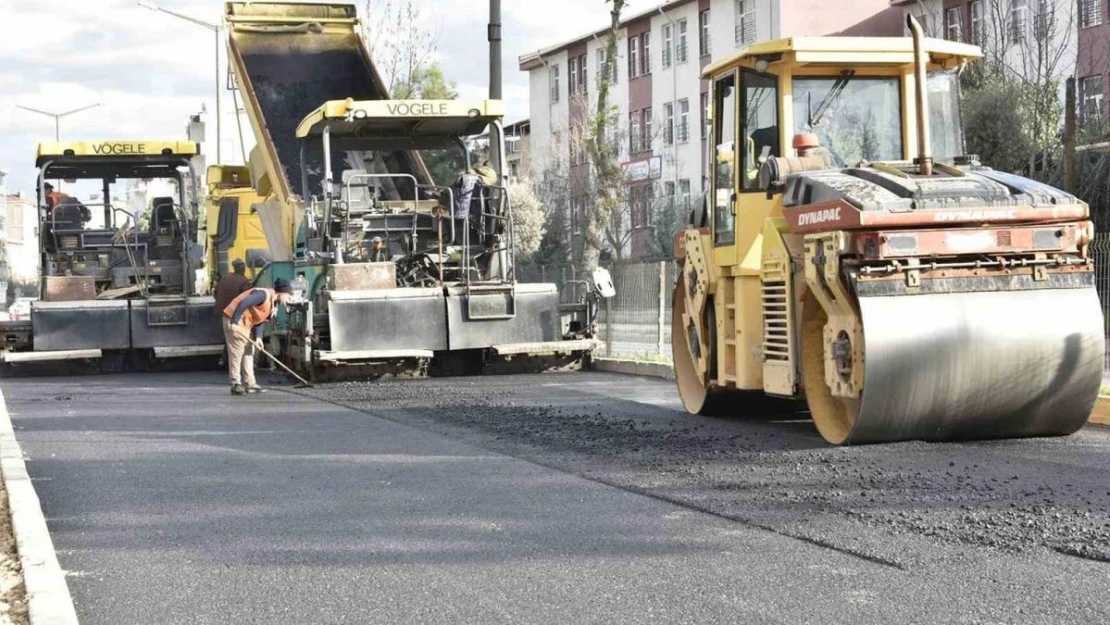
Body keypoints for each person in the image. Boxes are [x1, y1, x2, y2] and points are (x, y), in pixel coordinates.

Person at [222, 277, 294, 396]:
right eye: (288, 295)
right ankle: (235, 384)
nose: (288, 299)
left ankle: (250, 384)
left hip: (245, 322)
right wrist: (234, 323)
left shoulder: (273, 304)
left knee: (249, 351)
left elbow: (260, 320)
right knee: (237, 351)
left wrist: (259, 338)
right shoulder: (262, 295)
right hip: (233, 318)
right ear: (281, 293)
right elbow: (244, 303)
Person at [213, 259, 252, 367]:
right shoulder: (243, 281)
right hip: (234, 312)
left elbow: (215, 293)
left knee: (227, 336)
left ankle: (224, 359)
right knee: (235, 338)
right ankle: (228, 361)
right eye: (243, 267)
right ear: (242, 269)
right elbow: (246, 299)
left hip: (221, 311)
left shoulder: (225, 278)